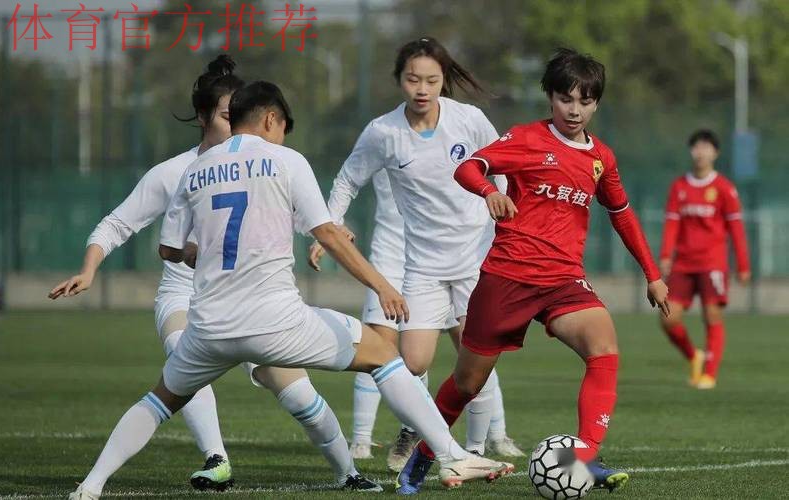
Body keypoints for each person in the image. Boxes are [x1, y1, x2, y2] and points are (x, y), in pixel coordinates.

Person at [67, 80, 512, 500]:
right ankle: (451, 456)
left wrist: (199, 252)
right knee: (382, 353)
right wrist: (382, 286)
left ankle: (90, 485)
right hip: (275, 321)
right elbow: (329, 234)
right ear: (270, 119)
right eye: (283, 126)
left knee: (159, 400)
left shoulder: (195, 170)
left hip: (209, 326)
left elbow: (168, 250)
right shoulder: (286, 161)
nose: (282, 135)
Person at [51, 56, 370, 493]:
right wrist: (89, 271)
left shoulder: (266, 164)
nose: (235, 122)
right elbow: (116, 224)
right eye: (224, 114)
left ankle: (348, 473)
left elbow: (299, 220)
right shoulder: (176, 172)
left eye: (238, 112)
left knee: (299, 394)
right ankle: (216, 458)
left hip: (255, 302)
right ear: (203, 118)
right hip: (187, 297)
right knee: (181, 358)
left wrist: (329, 234)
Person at [396, 48, 671, 495]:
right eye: (565, 99)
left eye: (585, 101)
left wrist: (652, 274)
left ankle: (585, 457)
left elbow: (621, 213)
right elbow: (469, 167)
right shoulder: (527, 138)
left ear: (596, 103)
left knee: (603, 346)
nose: (574, 110)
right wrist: (489, 191)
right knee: (467, 383)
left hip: (563, 280)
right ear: (550, 98)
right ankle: (425, 455)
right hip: (508, 277)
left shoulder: (601, 158)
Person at [308, 40, 522, 469]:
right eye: (412, 79)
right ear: (399, 80)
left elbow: (502, 164)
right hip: (422, 265)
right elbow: (348, 179)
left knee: (475, 362)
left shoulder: (468, 120)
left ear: (443, 81)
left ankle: (476, 452)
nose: (422, 89)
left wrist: (503, 209)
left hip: (476, 258)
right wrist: (330, 226)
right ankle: (413, 427)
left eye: (431, 80)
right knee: (412, 361)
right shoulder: (383, 133)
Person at [658, 129, 750, 389]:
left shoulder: (724, 188)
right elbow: (672, 225)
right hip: (683, 264)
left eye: (706, 147)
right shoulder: (679, 186)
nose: (701, 152)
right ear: (691, 151)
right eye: (697, 147)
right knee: (668, 317)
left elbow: (736, 229)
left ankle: (709, 373)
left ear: (715, 153)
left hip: (713, 263)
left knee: (712, 315)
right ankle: (693, 356)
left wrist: (743, 265)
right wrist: (666, 255)